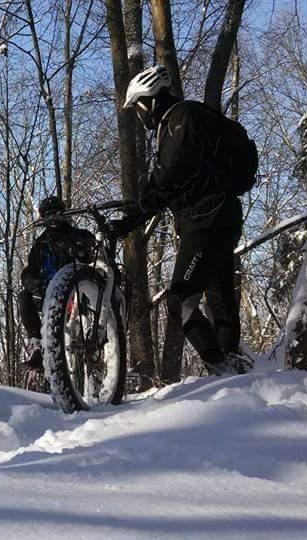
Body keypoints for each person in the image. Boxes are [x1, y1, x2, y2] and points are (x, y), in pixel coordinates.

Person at [110, 65, 251, 375]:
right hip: (220, 216)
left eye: (138, 108)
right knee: (219, 298)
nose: (139, 117)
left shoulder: (181, 119)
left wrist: (133, 216)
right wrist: (138, 211)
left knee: (181, 298)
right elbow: (172, 178)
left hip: (205, 220)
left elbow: (170, 174)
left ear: (149, 100)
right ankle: (234, 372)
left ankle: (221, 367)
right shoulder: (185, 120)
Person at [19, 195, 96, 372]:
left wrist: (83, 251)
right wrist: (31, 282)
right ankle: (38, 345)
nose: (53, 219)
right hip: (48, 294)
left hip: (80, 292)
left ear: (64, 213)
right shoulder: (41, 243)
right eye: (48, 215)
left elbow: (93, 257)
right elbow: (29, 270)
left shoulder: (80, 234)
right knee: (24, 296)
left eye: (56, 213)